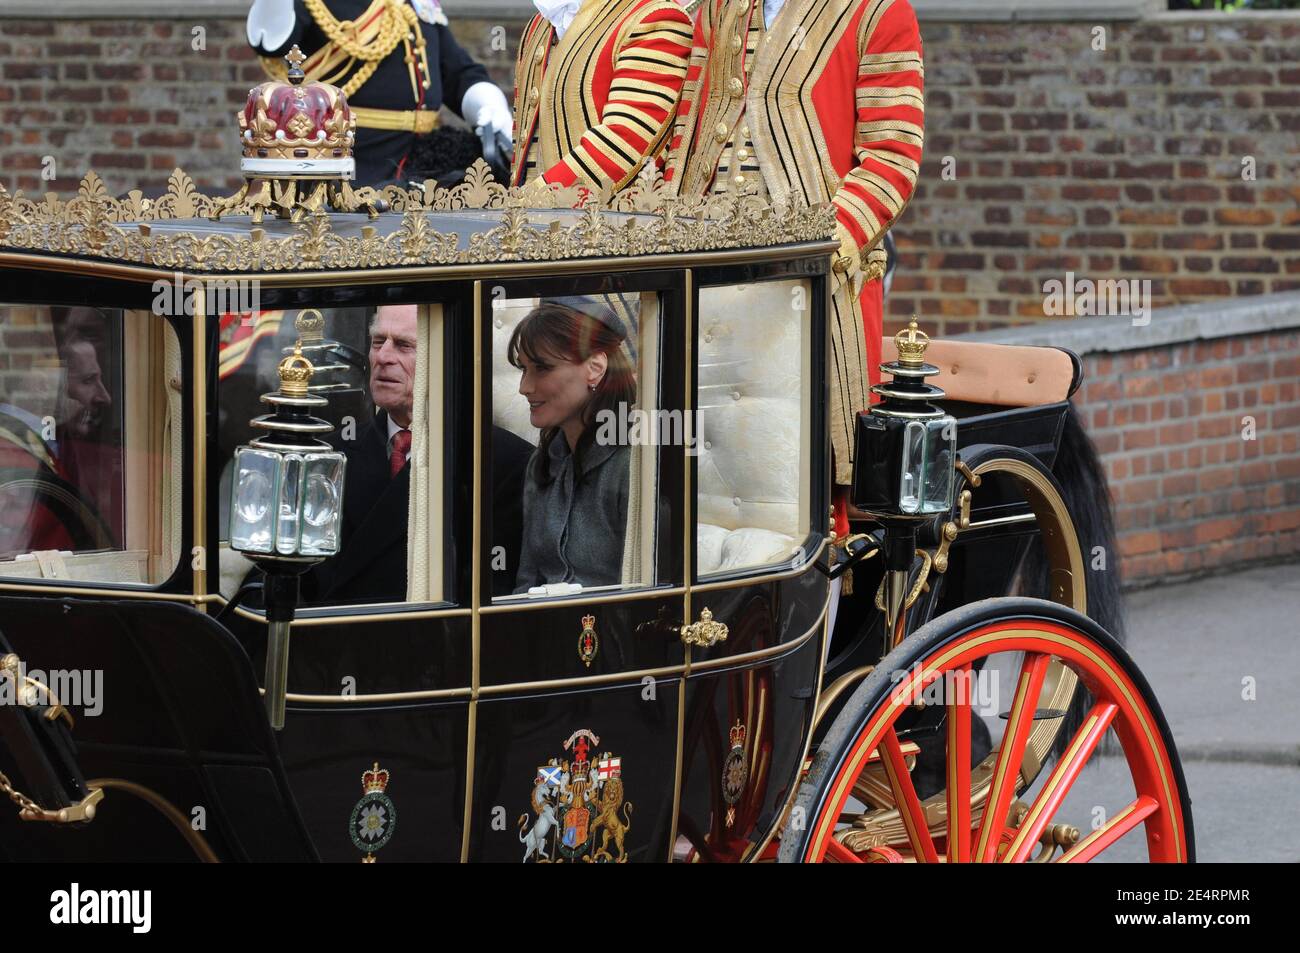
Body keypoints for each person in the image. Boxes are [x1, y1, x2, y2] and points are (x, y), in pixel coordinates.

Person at [663, 0, 925, 537]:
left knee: (811, 483)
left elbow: (891, 160)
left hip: (816, 292)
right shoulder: (716, 10)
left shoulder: (878, 11)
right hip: (705, 286)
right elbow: (683, 136)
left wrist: (811, 257)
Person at [309, 305, 533, 602]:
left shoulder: (500, 462)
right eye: (378, 342)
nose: (383, 357)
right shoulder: (329, 454)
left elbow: (492, 592)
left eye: (404, 346)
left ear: (443, 358)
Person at [246, 0, 513, 185]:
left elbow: (458, 73)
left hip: (426, 162)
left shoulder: (413, 3)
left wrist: (488, 106)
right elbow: (268, 41)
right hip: (357, 166)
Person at [510, 298, 637, 593]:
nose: (524, 387)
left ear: (595, 368)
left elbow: (650, 591)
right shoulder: (542, 463)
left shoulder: (634, 464)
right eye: (523, 369)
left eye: (542, 368)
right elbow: (527, 581)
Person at [510, 0, 693, 196]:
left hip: (609, 222)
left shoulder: (654, 17)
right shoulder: (539, 26)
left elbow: (624, 148)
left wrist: (528, 205)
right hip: (530, 221)